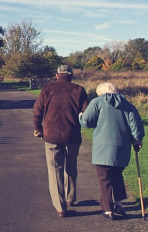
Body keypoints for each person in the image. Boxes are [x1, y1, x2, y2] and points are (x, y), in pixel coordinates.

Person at [79, 82, 144, 220]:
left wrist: (80, 116)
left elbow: (86, 122)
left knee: (104, 178)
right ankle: (119, 204)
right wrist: (137, 140)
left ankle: (108, 209)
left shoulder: (97, 102)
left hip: (102, 149)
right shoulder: (127, 105)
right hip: (122, 148)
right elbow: (136, 127)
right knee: (117, 175)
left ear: (101, 92)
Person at [33, 65, 89, 217]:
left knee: (54, 170)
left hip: (51, 135)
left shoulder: (47, 88)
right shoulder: (79, 90)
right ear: (71, 76)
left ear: (57, 75)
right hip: (72, 135)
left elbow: (37, 110)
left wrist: (37, 128)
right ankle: (70, 197)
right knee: (71, 166)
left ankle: (60, 207)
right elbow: (86, 112)